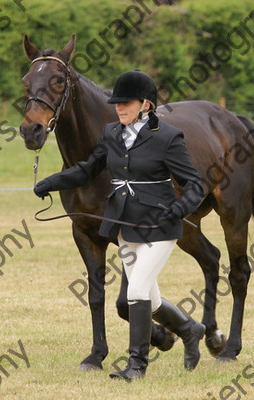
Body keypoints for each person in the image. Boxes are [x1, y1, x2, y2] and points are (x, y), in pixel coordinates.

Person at [34, 69, 206, 381]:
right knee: (150, 300)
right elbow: (87, 170)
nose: (119, 108)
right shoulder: (112, 133)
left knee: (135, 291)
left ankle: (136, 366)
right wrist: (51, 182)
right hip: (126, 225)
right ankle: (190, 329)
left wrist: (179, 209)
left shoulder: (168, 138)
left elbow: (194, 184)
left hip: (160, 225)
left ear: (146, 105)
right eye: (117, 103)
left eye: (127, 103)